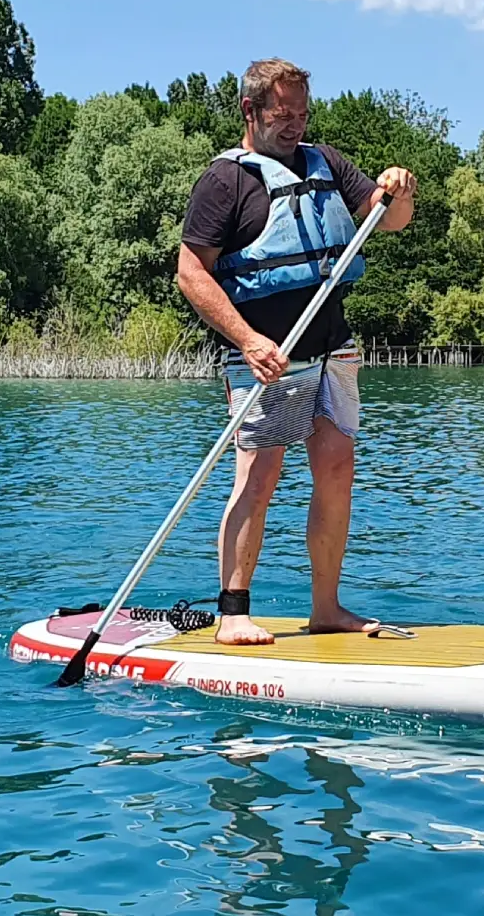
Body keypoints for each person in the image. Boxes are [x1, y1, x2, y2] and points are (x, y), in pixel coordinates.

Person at [175, 58, 416, 646]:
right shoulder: (225, 182)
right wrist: (248, 340)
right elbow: (190, 273)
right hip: (266, 355)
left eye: (302, 113)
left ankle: (327, 608)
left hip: (333, 347)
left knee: (336, 468)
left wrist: (400, 190)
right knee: (259, 476)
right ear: (250, 111)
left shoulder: (327, 163)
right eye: (283, 114)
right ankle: (232, 612)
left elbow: (393, 223)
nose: (295, 125)